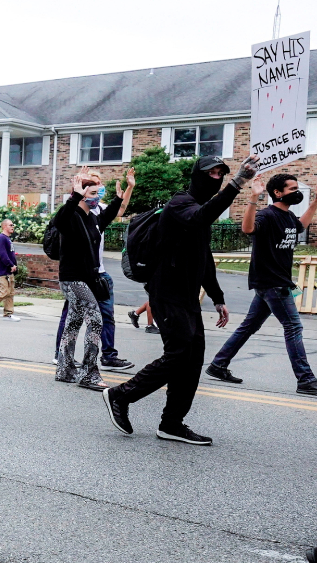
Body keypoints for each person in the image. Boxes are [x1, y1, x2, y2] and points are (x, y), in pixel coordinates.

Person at [103, 155, 259, 446]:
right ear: (197, 175)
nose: (216, 178)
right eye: (211, 173)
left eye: (220, 174)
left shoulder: (200, 209)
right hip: (166, 293)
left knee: (193, 358)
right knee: (179, 353)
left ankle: (172, 423)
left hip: (187, 296)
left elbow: (204, 258)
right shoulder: (180, 204)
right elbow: (200, 217)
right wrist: (237, 183)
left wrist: (217, 297)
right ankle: (121, 395)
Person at [205, 174, 317, 394]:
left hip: (272, 283)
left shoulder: (288, 216)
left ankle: (218, 364)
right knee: (293, 327)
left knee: (249, 326)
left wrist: (314, 204)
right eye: (292, 188)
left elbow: (300, 227)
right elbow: (248, 229)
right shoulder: (267, 215)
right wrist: (254, 198)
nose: (297, 192)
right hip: (273, 283)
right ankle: (305, 379)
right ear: (277, 192)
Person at [53, 169, 136, 369]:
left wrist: (119, 197)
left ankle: (65, 366)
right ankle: (88, 370)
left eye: (99, 192)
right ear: (81, 193)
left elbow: (108, 216)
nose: (97, 197)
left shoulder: (92, 217)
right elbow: (60, 220)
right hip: (75, 279)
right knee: (94, 320)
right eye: (93, 193)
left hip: (93, 276)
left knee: (74, 322)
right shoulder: (72, 215)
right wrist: (74, 196)